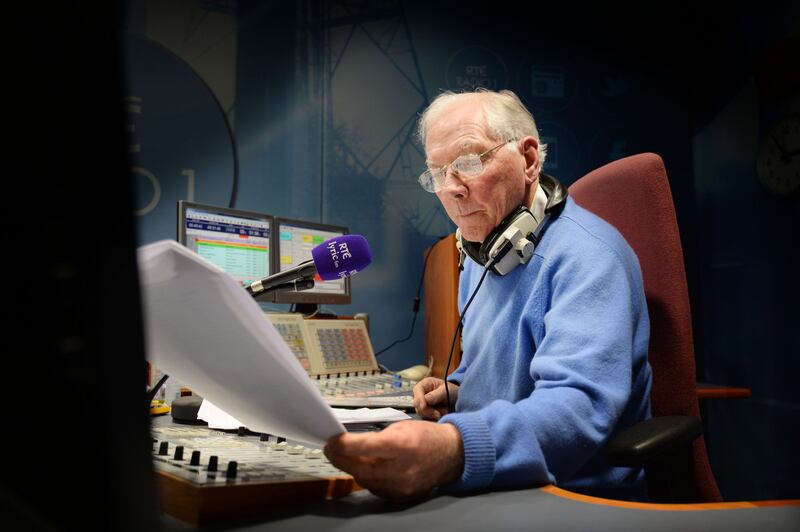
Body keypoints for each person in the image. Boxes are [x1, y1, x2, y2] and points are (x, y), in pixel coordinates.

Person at [324, 89, 652, 501]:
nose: (451, 189)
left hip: (572, 494)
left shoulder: (590, 257)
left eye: (467, 162)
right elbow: (497, 369)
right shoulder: (484, 255)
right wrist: (458, 389)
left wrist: (453, 450)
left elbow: (577, 409)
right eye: (437, 173)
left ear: (529, 160)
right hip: (499, 477)